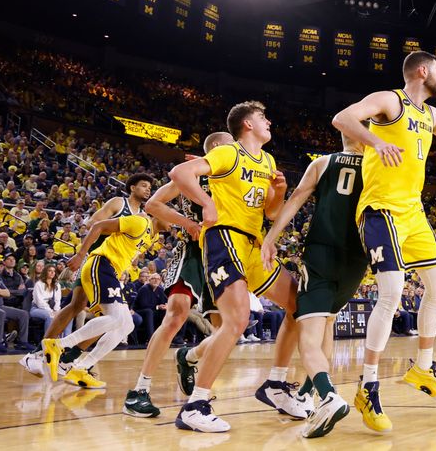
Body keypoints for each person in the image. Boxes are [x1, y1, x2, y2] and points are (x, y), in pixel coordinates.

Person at [332, 50, 436, 432]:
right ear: (422, 71)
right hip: (381, 211)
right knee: (391, 293)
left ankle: (423, 369)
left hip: (413, 213)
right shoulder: (389, 99)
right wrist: (375, 143)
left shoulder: (430, 115)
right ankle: (368, 384)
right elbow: (343, 118)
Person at [125, 131, 305, 420]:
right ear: (216, 150)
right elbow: (153, 205)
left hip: (232, 249)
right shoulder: (198, 173)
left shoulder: (247, 173)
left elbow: (269, 211)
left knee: (229, 329)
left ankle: (189, 356)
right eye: (228, 146)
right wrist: (187, 223)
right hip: (195, 251)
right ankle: (139, 390)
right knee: (176, 315)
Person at [168, 101, 300, 432]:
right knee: (238, 319)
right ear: (248, 125)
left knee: (300, 305)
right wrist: (207, 202)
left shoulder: (268, 161)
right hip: (224, 237)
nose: (269, 121)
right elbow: (180, 173)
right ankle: (195, 406)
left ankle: (275, 384)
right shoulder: (230, 153)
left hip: (254, 246)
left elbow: (270, 213)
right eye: (263, 117)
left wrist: (279, 193)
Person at [261, 132, 369, 438]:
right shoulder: (376, 165)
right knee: (327, 324)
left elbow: (295, 201)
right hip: (357, 259)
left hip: (322, 253)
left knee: (309, 333)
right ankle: (308, 395)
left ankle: (329, 395)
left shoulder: (323, 162)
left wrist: (271, 238)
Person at [20, 174, 153, 378]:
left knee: (81, 307)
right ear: (132, 187)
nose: (147, 189)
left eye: (150, 187)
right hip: (97, 259)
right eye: (143, 185)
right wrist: (116, 231)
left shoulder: (143, 217)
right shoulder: (119, 203)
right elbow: (93, 222)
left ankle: (58, 357)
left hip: (112, 266)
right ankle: (48, 354)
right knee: (98, 313)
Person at [41, 210, 166, 389]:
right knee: (112, 317)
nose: (175, 222)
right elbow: (99, 226)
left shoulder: (153, 237)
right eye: (171, 215)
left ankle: (81, 367)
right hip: (101, 263)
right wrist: (80, 254)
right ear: (158, 213)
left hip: (112, 272)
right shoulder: (140, 222)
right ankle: (58, 344)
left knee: (126, 325)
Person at [30, 264, 72, 337]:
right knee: (50, 316)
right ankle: (48, 339)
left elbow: (57, 300)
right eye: (50, 271)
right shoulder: (39, 284)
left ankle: (66, 340)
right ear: (45, 272)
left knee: (68, 315)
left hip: (53, 309)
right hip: (37, 308)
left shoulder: (57, 285)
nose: (52, 273)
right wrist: (51, 311)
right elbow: (39, 302)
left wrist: (56, 310)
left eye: (54, 271)